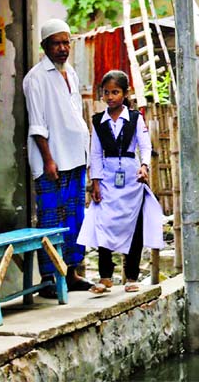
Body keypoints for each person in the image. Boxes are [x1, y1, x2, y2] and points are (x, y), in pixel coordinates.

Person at [23, 18, 94, 298]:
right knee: (51, 219)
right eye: (57, 43)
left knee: (76, 217)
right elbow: (38, 124)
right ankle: (50, 278)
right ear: (45, 46)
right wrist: (48, 159)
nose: (63, 48)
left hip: (75, 157)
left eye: (66, 42)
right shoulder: (36, 78)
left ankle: (72, 272)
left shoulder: (71, 73)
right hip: (52, 160)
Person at [77, 71, 164, 293]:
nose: (110, 97)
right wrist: (95, 181)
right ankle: (105, 276)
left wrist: (144, 166)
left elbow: (144, 146)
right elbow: (95, 153)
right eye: (106, 92)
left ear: (126, 94)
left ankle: (131, 276)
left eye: (115, 92)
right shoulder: (98, 122)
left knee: (133, 225)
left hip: (131, 178)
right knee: (103, 223)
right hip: (107, 178)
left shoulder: (135, 118)